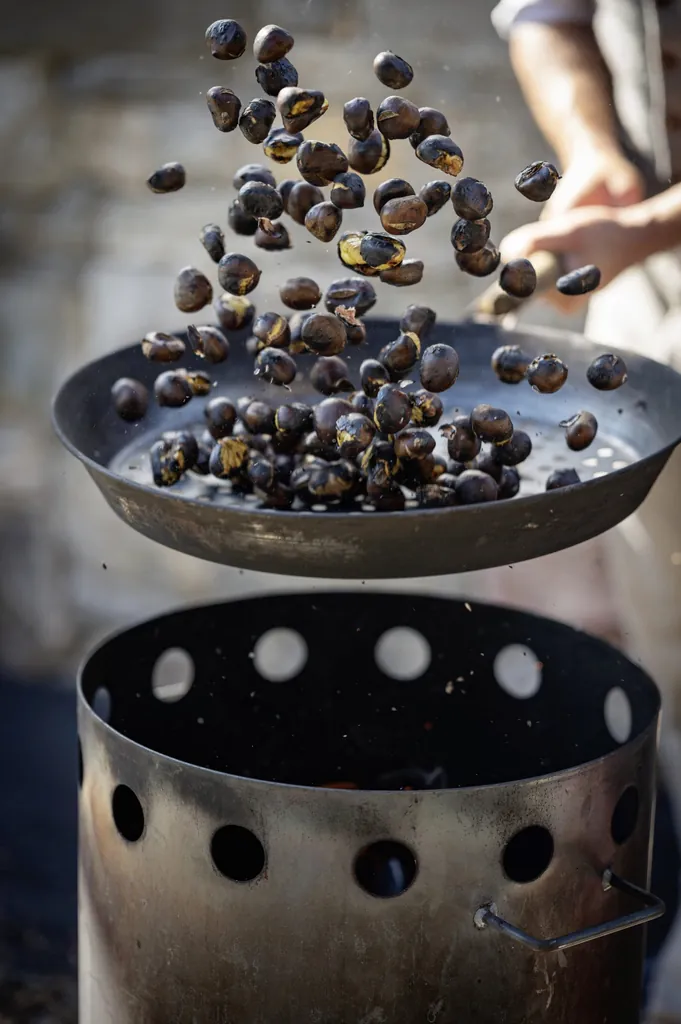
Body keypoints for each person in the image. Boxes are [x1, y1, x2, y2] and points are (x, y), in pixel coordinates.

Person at [491, 2, 681, 1020]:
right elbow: (546, 12)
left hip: (651, 237)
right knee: (656, 630)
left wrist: (647, 225)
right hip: (644, 270)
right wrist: (594, 152)